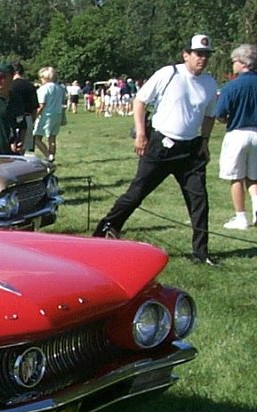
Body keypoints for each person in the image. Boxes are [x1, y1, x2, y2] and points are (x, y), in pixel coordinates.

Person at [93, 35, 219, 266]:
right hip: (161, 145)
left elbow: (210, 115)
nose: (203, 59)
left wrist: (205, 141)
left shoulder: (210, 83)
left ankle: (201, 253)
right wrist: (141, 134)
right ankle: (105, 231)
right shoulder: (168, 74)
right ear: (186, 55)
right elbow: (140, 101)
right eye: (198, 54)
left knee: (199, 200)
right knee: (137, 193)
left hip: (190, 149)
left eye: (206, 55)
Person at [215, 43, 257, 230]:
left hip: (238, 132)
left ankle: (241, 217)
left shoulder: (232, 86)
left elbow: (221, 114)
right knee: (253, 177)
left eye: (234, 62)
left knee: (236, 177)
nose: (233, 65)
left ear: (241, 62)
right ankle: (256, 208)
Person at [33, 66, 65, 162]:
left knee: (36, 138)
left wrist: (35, 116)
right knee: (52, 138)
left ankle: (48, 155)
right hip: (57, 114)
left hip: (46, 115)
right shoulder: (60, 88)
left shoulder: (43, 89)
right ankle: (51, 156)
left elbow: (41, 105)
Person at [10, 62, 37, 153]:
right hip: (28, 117)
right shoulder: (30, 86)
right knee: (22, 149)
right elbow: (35, 107)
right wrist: (31, 121)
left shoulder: (10, 85)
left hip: (14, 119)